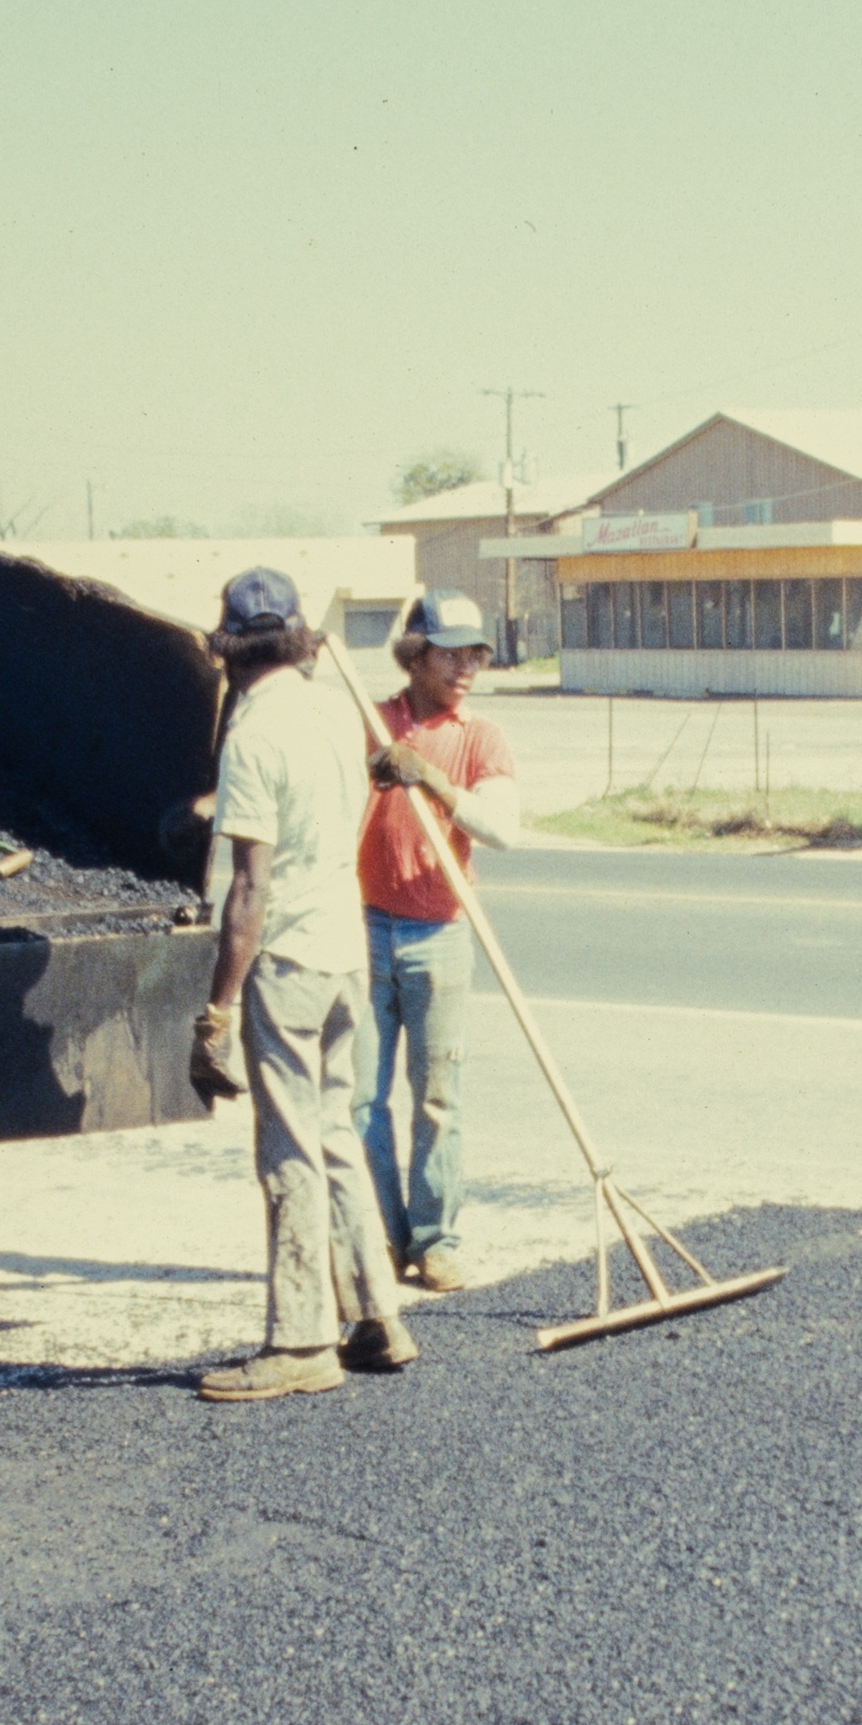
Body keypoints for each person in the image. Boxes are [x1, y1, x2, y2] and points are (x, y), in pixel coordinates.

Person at [191, 568, 415, 1401]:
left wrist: (216, 1009)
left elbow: (249, 889)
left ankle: (299, 1341)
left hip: (286, 959)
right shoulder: (332, 712)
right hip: (346, 951)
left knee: (288, 1147)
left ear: (229, 649)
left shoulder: (252, 736)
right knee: (335, 1134)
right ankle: (377, 1315)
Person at [355, 589, 520, 1291]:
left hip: (440, 933)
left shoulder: (481, 737)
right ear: (415, 655)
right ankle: (382, 1238)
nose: (466, 668)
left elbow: (503, 829)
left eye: (475, 654)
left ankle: (436, 1239)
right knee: (359, 1100)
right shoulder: (371, 720)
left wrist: (434, 782)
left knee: (437, 1097)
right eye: (450, 654)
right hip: (365, 928)